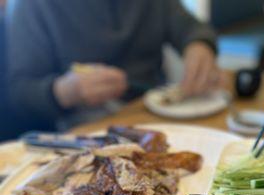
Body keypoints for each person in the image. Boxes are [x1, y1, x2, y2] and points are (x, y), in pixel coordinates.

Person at [6, 0, 220, 130]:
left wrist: (199, 45)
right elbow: (17, 94)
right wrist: (65, 91)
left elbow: (191, 27)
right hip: (82, 133)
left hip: (154, 115)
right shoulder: (31, 6)